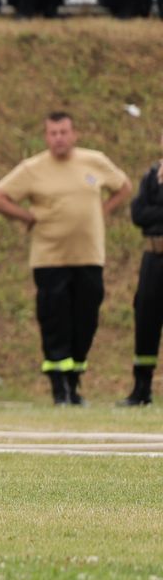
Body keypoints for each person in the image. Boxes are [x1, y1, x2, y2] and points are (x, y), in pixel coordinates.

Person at [0, 112, 131, 404]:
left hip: (89, 256)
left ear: (74, 134)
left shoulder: (94, 161)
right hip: (50, 259)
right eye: (53, 133)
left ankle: (74, 382)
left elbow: (124, 188)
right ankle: (59, 388)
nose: (59, 138)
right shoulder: (33, 168)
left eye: (63, 132)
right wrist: (26, 216)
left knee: (86, 319)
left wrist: (101, 212)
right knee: (55, 321)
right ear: (46, 136)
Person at [122, 130, 163, 407]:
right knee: (146, 318)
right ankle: (141, 389)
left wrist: (154, 212)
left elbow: (148, 213)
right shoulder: (153, 175)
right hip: (154, 256)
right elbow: (138, 214)